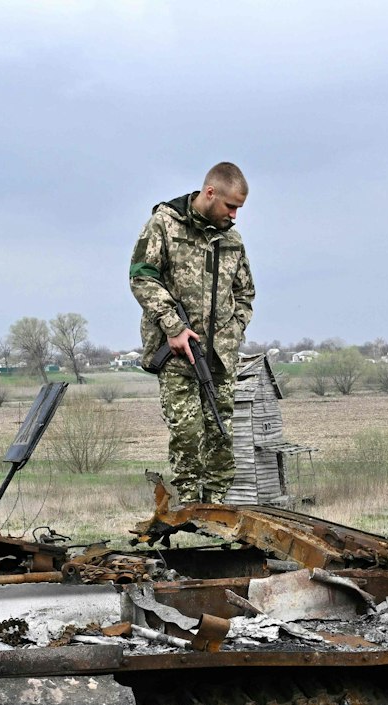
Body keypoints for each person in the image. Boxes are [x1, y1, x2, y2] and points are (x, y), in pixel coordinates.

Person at [129, 161, 255, 503]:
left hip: (219, 357)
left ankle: (216, 507)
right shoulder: (164, 225)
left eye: (239, 209)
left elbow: (245, 294)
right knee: (187, 434)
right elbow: (141, 276)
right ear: (210, 193)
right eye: (231, 206)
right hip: (176, 355)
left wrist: (234, 332)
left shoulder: (232, 240)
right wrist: (173, 327)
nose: (234, 215)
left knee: (220, 434)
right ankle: (188, 503)